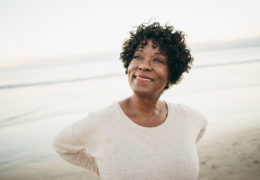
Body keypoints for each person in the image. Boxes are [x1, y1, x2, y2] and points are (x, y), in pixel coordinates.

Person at [53, 22, 207, 180]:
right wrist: (101, 167)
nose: (144, 66)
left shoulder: (188, 116)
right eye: (138, 56)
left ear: (171, 75)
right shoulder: (102, 121)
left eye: (158, 60)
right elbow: (62, 145)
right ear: (128, 64)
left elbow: (201, 126)